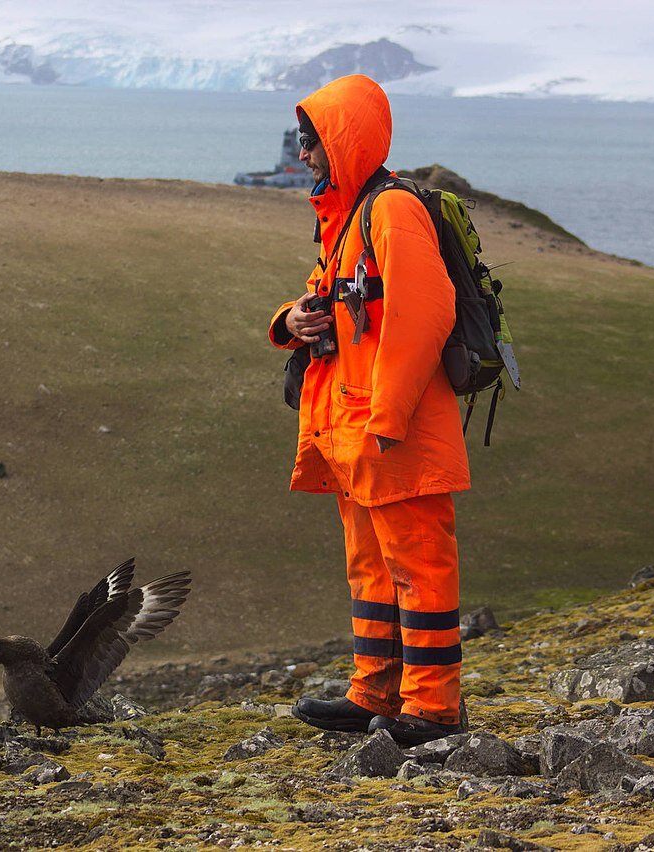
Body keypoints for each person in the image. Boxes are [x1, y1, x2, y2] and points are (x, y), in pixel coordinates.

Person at [268, 75, 470, 746]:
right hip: (355, 431)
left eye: (311, 140)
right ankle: (374, 694)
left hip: (392, 430)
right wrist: (290, 320)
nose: (303, 154)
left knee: (419, 567)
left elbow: (424, 315)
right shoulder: (348, 215)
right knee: (373, 568)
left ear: (342, 139)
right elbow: (328, 297)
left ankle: (432, 709)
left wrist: (387, 418)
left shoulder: (391, 211)